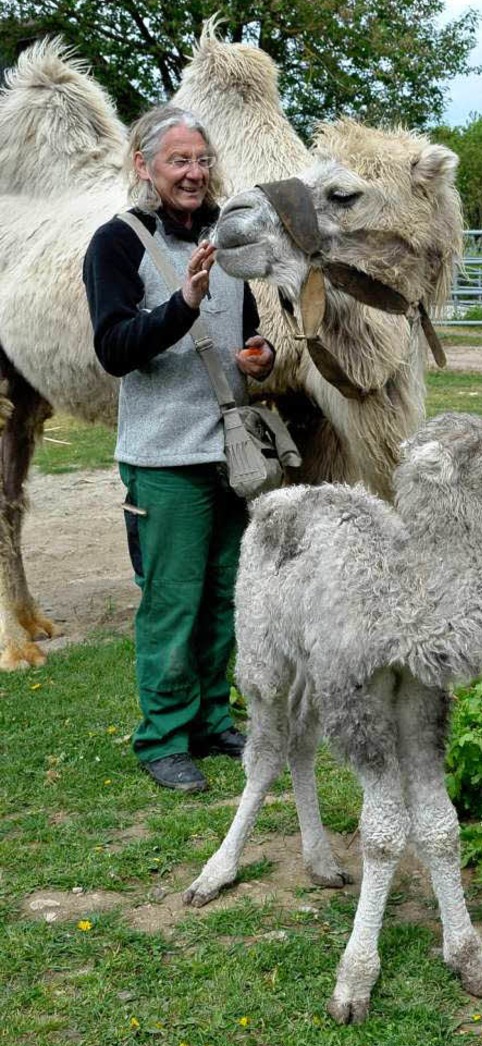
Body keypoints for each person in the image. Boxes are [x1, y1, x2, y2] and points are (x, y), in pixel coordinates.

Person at [83, 105, 275, 793]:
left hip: (229, 454)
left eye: (200, 160)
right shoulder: (116, 242)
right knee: (171, 601)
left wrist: (260, 355)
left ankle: (209, 720)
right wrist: (183, 305)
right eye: (178, 161)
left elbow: (245, 332)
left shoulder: (227, 237)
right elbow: (114, 349)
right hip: (163, 460)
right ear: (145, 165)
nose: (194, 173)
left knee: (223, 596)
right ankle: (162, 736)